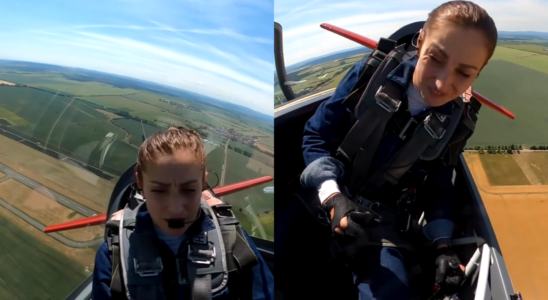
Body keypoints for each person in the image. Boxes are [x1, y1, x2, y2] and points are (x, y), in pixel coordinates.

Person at [299, 1, 497, 299]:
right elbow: (317, 136)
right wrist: (333, 196)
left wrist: (442, 247)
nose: (443, 83)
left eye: (464, 73)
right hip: (322, 194)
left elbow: (439, 189)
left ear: (478, 74)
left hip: (380, 226)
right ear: (420, 42)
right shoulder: (369, 78)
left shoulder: (456, 123)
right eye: (435, 58)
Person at [92, 126, 274, 300]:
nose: (176, 208)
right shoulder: (113, 254)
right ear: (140, 182)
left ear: (203, 182)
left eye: (188, 190)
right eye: (159, 191)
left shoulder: (231, 239)